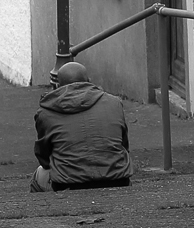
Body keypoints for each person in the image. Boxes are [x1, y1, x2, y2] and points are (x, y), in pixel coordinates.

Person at [32, 61, 132, 192]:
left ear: (57, 86)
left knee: (39, 175)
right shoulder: (115, 103)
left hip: (68, 184)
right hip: (117, 180)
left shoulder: (45, 113)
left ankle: (42, 210)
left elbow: (43, 157)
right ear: (89, 81)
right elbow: (124, 145)